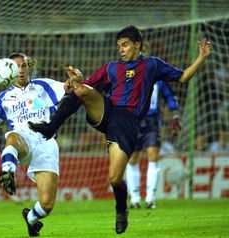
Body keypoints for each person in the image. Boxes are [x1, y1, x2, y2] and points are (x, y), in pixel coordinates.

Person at [28, 25, 212, 234]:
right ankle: (51, 127)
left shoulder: (152, 65)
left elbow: (183, 77)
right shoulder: (111, 68)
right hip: (108, 111)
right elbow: (85, 86)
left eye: (125, 45)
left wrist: (202, 57)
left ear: (137, 45)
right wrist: (76, 80)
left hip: (128, 123)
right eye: (119, 46)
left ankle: (121, 209)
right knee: (80, 90)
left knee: (115, 178)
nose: (121, 50)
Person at [0, 52, 76, 237]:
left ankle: (30, 218)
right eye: (16, 66)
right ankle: (7, 171)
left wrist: (75, 80)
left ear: (29, 67)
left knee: (46, 205)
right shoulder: (3, 98)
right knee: (12, 137)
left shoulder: (44, 85)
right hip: (22, 138)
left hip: (46, 142)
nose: (20, 70)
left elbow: (69, 88)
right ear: (9, 71)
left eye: (23, 65)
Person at [126, 80, 181, 210]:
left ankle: (150, 198)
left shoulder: (158, 79)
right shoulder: (129, 74)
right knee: (132, 158)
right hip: (132, 120)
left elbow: (168, 95)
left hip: (152, 122)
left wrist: (175, 113)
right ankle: (135, 199)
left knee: (153, 156)